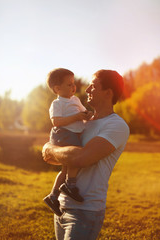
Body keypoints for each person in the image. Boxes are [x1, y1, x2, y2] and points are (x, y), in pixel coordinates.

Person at [42, 69, 130, 240]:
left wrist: (49, 147)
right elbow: (54, 160)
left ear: (108, 92)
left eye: (93, 85)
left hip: (85, 211)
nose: (87, 89)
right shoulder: (82, 123)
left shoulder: (116, 125)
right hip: (61, 207)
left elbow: (80, 158)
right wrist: (55, 152)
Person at [43, 68, 93, 216]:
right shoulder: (57, 104)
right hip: (63, 134)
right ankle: (70, 185)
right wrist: (76, 118)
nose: (73, 87)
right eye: (69, 84)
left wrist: (88, 115)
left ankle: (53, 196)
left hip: (73, 134)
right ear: (57, 89)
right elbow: (56, 121)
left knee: (64, 169)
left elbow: (83, 114)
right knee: (74, 158)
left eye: (73, 83)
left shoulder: (75, 100)